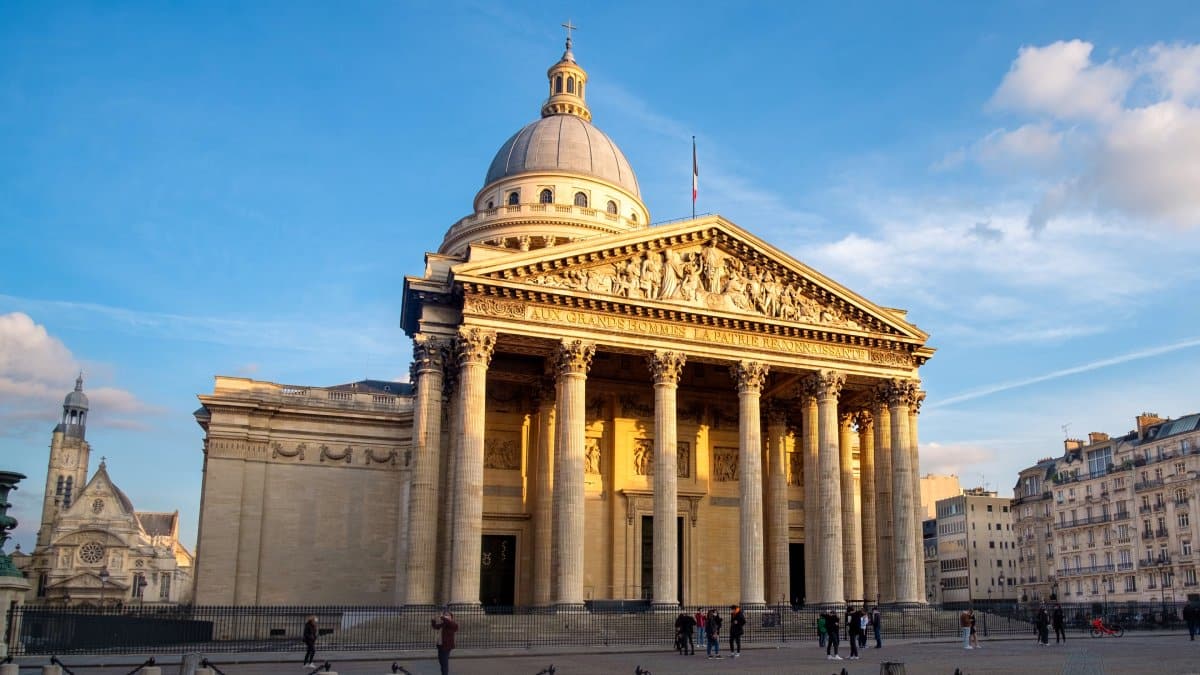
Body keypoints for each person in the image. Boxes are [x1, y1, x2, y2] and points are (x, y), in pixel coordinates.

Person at [431, 609, 458, 675]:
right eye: (445, 615)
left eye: (447, 615)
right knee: (441, 662)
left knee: (444, 663)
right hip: (440, 646)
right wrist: (433, 620)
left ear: (451, 617)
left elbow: (449, 623)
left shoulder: (453, 624)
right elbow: (435, 627)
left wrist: (442, 617)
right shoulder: (443, 624)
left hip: (446, 646)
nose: (446, 616)